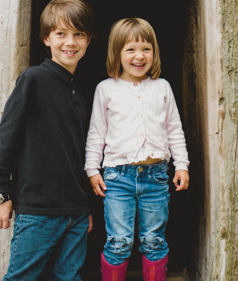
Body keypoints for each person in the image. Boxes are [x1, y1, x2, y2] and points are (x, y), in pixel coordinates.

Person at [0, 0, 96, 281]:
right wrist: (1, 193)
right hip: (38, 210)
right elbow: (7, 137)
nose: (70, 42)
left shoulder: (81, 90)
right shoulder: (33, 80)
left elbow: (78, 154)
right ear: (46, 39)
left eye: (78, 34)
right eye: (61, 33)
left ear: (88, 40)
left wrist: (83, 206)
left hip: (75, 212)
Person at [85, 18, 190, 281]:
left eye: (146, 49)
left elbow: (174, 129)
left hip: (155, 176)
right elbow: (96, 133)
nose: (139, 56)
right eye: (130, 49)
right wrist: (91, 169)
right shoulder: (105, 89)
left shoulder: (162, 87)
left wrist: (182, 165)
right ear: (117, 53)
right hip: (117, 178)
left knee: (154, 240)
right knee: (119, 241)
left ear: (154, 52)